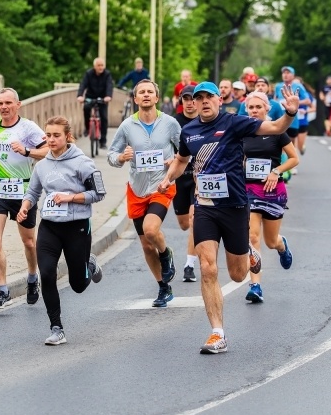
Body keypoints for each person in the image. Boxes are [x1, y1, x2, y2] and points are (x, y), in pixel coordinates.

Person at [157, 81, 299, 354]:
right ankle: (217, 333)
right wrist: (168, 178)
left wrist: (289, 114)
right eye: (199, 99)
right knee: (208, 268)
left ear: (219, 100)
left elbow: (275, 128)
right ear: (194, 104)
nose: (204, 102)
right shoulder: (189, 131)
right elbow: (182, 160)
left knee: (237, 274)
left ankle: (248, 253)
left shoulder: (235, 123)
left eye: (209, 97)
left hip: (234, 207)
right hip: (206, 208)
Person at [17, 116, 105, 345]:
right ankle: (56, 327)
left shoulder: (83, 163)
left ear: (67, 136)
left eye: (56, 135)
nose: (51, 139)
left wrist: (71, 197)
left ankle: (89, 263)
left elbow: (99, 193)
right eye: (48, 135)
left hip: (77, 226)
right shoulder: (42, 165)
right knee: (46, 273)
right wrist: (25, 207)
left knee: (77, 285)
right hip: (50, 227)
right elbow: (32, 193)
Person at [108, 79, 182, 307]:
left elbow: (185, 151)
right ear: (136, 99)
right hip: (137, 189)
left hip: (162, 185)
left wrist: (175, 160)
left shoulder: (170, 123)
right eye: (142, 92)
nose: (146, 95)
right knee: (146, 245)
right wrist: (121, 158)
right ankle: (163, 287)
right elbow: (111, 154)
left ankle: (166, 252)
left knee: (151, 230)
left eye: (150, 92)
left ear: (157, 98)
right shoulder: (127, 126)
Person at [0, 88, 47, 309]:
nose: (3, 107)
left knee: (29, 242)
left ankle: (32, 278)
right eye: (0, 104)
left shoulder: (28, 128)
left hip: (23, 191)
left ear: (18, 104)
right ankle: (3, 291)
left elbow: (49, 151)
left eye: (8, 103)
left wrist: (26, 151)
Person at [241, 91, 299, 303]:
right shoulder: (243, 132)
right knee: (253, 238)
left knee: (271, 241)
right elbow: (241, 157)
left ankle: (282, 245)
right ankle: (255, 285)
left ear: (267, 108)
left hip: (273, 192)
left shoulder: (277, 130)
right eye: (251, 107)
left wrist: (276, 171)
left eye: (258, 107)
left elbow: (294, 159)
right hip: (250, 191)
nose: (254, 110)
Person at [173, 85, 199, 282]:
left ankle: (189, 265)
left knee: (194, 220)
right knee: (183, 224)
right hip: (179, 178)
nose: (190, 103)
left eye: (193, 98)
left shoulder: (205, 121)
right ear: (181, 100)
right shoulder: (173, 123)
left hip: (198, 179)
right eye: (186, 98)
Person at [274, 66, 311, 158]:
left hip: (293, 120)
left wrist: (295, 102)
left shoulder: (298, 86)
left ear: (293, 75)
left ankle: (292, 163)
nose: (285, 75)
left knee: (290, 143)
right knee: (280, 143)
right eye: (284, 73)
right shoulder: (278, 86)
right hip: (280, 118)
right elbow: (275, 99)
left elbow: (308, 101)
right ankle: (284, 165)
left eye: (288, 73)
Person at [78, 58, 114, 148]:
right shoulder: (89, 73)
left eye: (102, 65)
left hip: (103, 98)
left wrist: (108, 96)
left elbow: (110, 85)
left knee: (104, 118)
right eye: (99, 65)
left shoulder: (107, 74)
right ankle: (87, 128)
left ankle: (103, 141)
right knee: (86, 108)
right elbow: (83, 84)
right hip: (90, 97)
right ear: (94, 66)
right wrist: (80, 95)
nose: (101, 67)